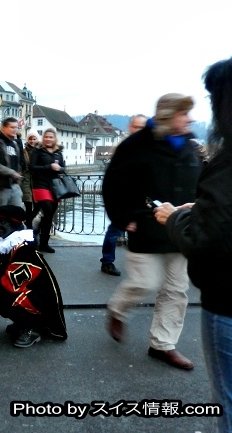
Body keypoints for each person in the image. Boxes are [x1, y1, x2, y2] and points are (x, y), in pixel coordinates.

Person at [153, 57, 232, 430]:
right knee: (150, 286)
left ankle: (162, 343)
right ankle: (157, 340)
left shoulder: (210, 153)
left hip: (226, 298)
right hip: (151, 238)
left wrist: (180, 216)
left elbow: (209, 237)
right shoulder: (144, 145)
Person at [103, 93, 201, 370]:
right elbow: (112, 184)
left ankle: (163, 345)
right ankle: (118, 309)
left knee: (176, 290)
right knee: (146, 282)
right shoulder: (136, 145)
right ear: (170, 116)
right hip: (146, 226)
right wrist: (122, 218)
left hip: (180, 228)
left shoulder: (191, 146)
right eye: (184, 114)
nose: (190, 119)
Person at [0, 205, 67, 348]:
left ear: (15, 224)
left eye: (3, 222)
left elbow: (11, 284)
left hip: (39, 300)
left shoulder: (25, 249)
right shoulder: (8, 244)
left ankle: (32, 327)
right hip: (20, 290)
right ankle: (22, 322)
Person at [100, 114, 147, 276]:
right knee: (115, 230)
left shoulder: (148, 147)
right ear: (130, 127)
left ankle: (140, 266)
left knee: (140, 231)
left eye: (143, 127)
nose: (140, 130)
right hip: (124, 198)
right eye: (137, 127)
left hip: (141, 199)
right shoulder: (123, 147)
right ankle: (107, 262)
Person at [30, 127, 65, 253]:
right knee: (48, 210)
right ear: (43, 138)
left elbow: (63, 168)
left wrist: (59, 168)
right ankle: (34, 235)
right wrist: (49, 166)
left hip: (54, 187)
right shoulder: (38, 151)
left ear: (55, 139)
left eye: (51, 137)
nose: (48, 139)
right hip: (40, 184)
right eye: (46, 137)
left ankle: (42, 241)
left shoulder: (58, 153)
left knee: (49, 215)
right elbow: (32, 167)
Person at [0, 117, 26, 208]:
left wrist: (18, 180)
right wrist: (11, 173)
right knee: (0, 216)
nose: (15, 130)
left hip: (14, 186)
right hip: (0, 187)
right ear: (3, 128)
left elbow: (19, 163)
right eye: (12, 127)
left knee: (17, 215)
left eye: (16, 127)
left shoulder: (14, 143)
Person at [20, 132, 39, 222]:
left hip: (37, 181)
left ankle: (28, 221)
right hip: (26, 181)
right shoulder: (24, 152)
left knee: (38, 205)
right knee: (28, 204)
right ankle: (29, 228)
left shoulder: (40, 151)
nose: (32, 141)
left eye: (34, 139)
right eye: (30, 139)